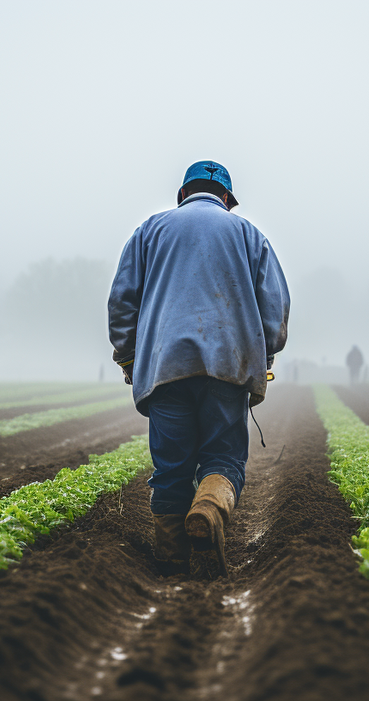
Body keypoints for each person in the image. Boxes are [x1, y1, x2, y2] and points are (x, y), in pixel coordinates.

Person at [108, 160, 290, 577]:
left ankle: (171, 560)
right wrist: (264, 354)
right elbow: (275, 308)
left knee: (170, 467)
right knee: (223, 459)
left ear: (183, 194)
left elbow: (122, 302)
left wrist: (129, 357)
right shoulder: (248, 234)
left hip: (164, 368)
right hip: (228, 366)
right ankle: (209, 507)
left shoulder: (149, 231)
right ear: (226, 198)